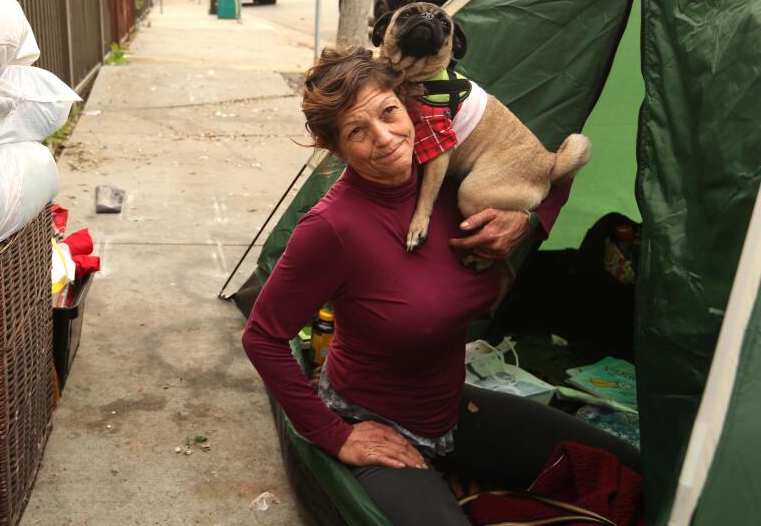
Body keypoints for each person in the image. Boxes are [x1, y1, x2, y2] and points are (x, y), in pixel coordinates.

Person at [241, 47, 640, 525]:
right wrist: (334, 435)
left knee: (631, 470)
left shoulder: (457, 183)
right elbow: (262, 337)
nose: (385, 138)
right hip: (373, 421)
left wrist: (524, 220)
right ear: (337, 148)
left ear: (408, 104)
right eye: (356, 131)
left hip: (451, 408)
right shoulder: (332, 228)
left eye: (389, 112)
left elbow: (552, 175)